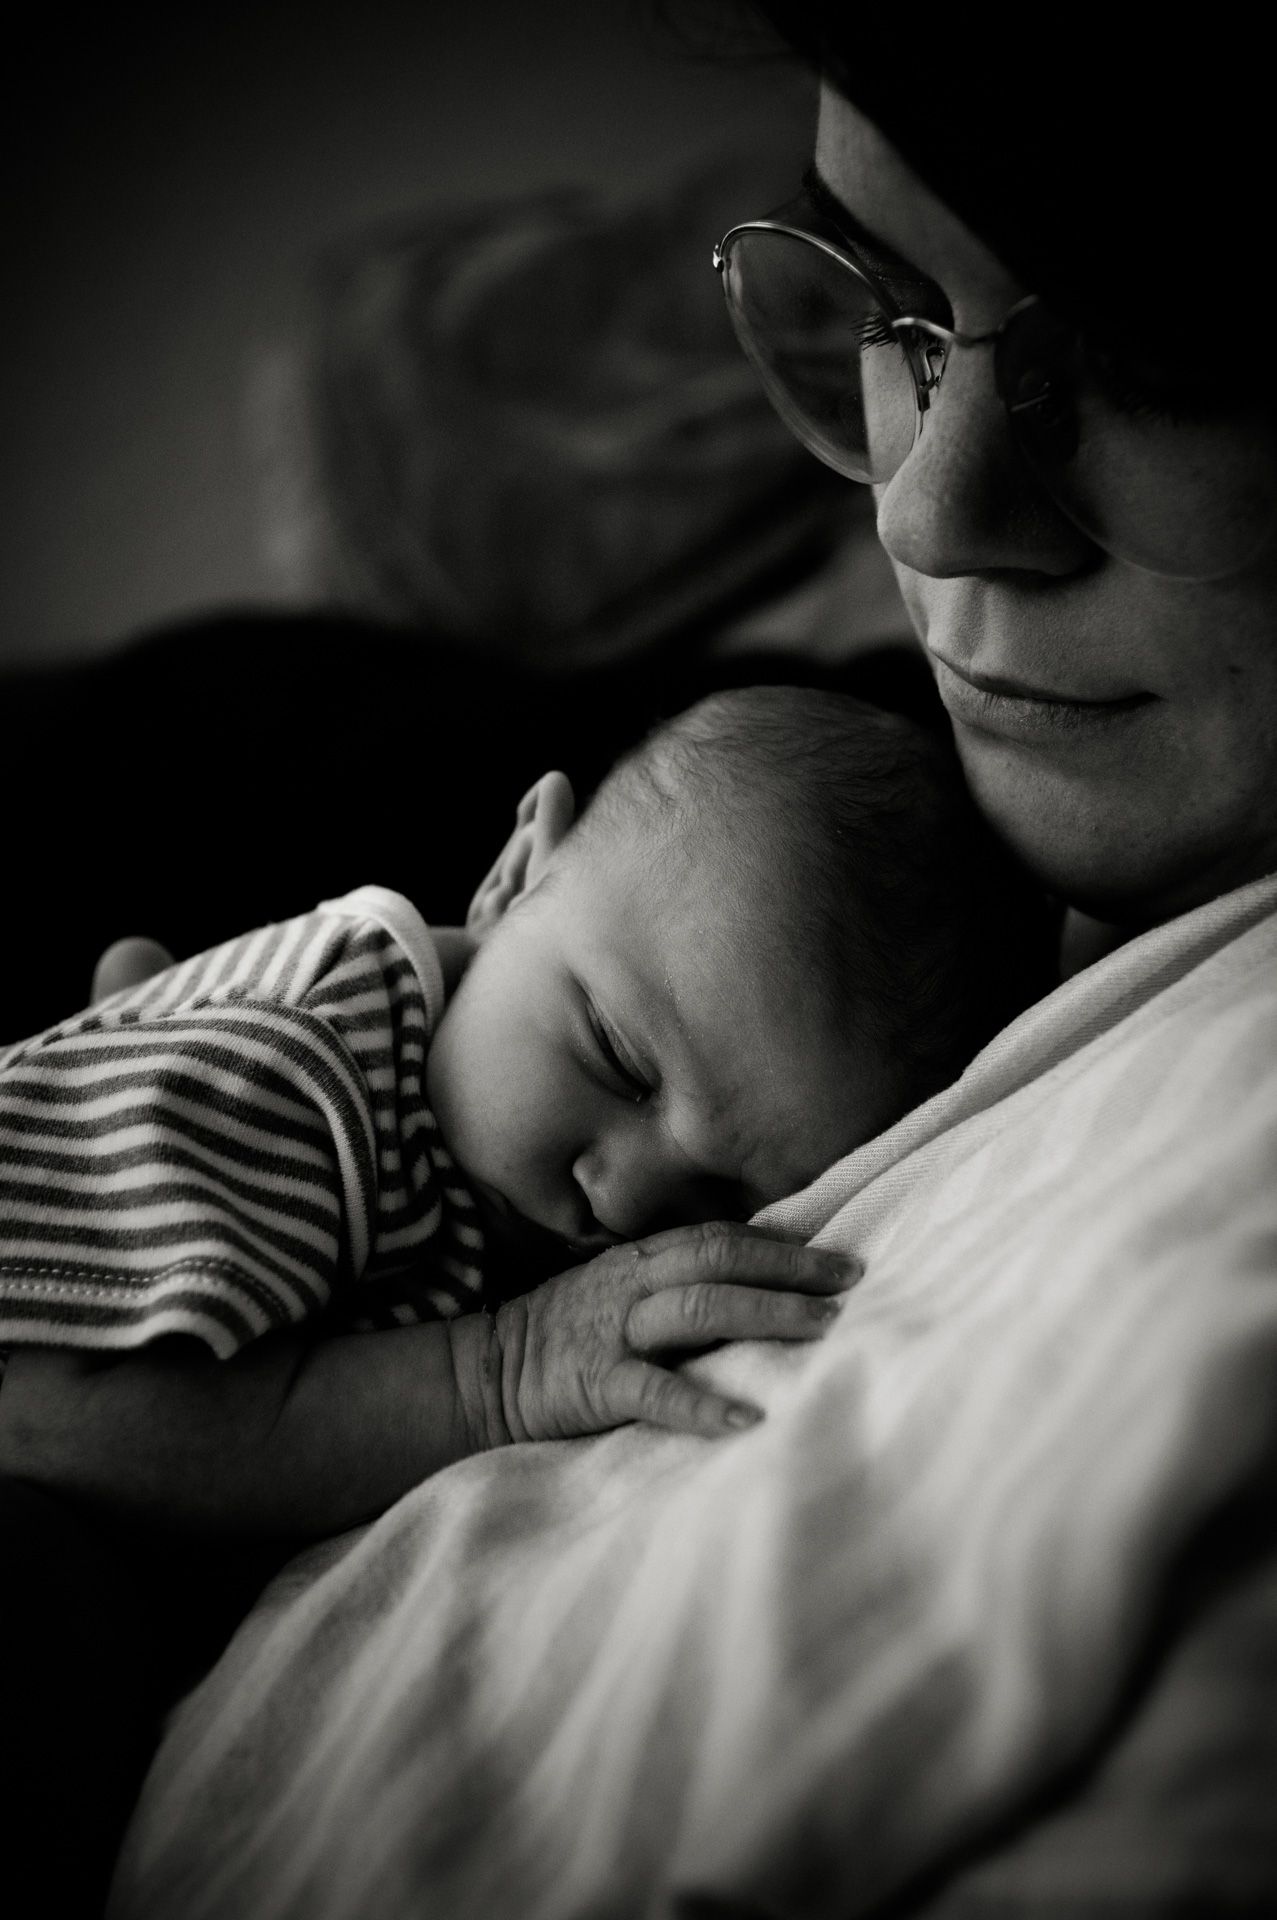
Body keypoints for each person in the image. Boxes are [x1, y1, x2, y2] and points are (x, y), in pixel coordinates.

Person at [97, 13, 1277, 1920]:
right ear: (519, 858)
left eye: (1144, 360)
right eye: (895, 309)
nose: (917, 505)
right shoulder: (660, 831)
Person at [0, 686, 1046, 1544]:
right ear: (511, 879)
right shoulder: (312, 1071)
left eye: (722, 1197)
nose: (625, 1204)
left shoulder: (446, 1134)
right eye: (619, 1062)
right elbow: (55, 1423)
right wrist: (495, 1373)